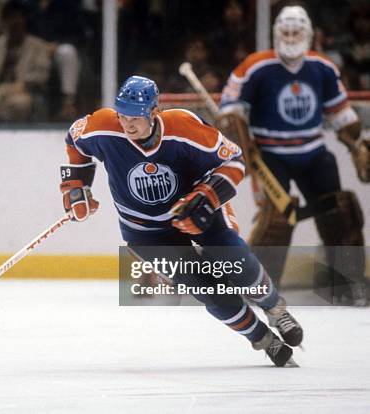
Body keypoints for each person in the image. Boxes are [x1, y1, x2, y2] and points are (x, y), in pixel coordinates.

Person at [59, 75, 304, 367]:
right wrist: (76, 189)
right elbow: (74, 140)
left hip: (196, 211)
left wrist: (208, 198)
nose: (127, 125)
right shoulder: (103, 127)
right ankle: (262, 338)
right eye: (122, 116)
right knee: (207, 289)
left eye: (134, 117)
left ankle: (275, 309)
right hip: (145, 232)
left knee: (235, 262)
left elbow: (235, 160)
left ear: (153, 112)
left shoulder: (183, 126)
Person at [218, 5, 369, 305]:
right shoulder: (255, 66)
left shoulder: (323, 67)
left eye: (296, 32)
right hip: (272, 154)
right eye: (285, 32)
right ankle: (259, 286)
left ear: (309, 35)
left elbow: (339, 112)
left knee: (340, 211)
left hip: (313, 151)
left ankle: (346, 283)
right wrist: (239, 141)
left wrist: (357, 143)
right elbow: (230, 111)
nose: (290, 37)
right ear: (276, 33)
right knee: (276, 219)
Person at [0, 0, 52, 122]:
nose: (15, 22)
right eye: (11, 18)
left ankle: (7, 134)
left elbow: (42, 75)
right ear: (4, 21)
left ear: (24, 20)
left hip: (24, 91)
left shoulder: (38, 46)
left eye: (19, 17)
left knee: (19, 103)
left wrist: (23, 84)